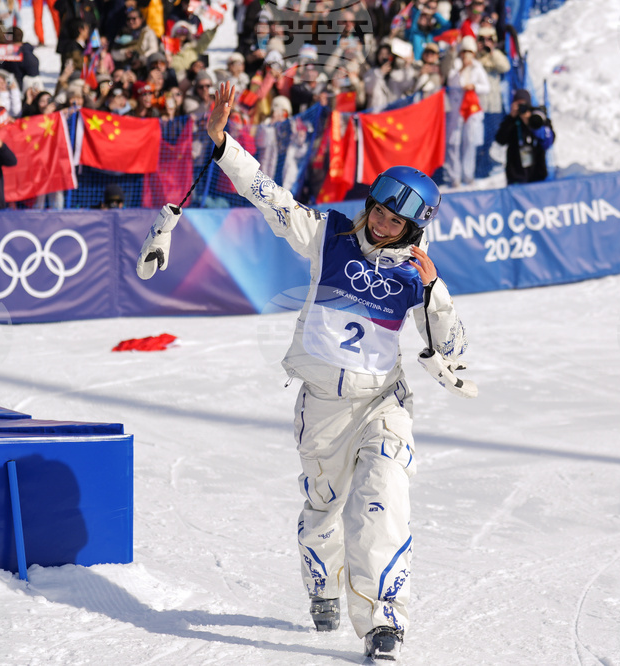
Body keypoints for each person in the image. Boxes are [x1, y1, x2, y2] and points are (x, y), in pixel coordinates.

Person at [201, 81, 472, 661]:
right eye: (379, 211)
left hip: (382, 404)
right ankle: (322, 586)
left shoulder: (417, 276)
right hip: (323, 405)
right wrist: (224, 144)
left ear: (415, 229)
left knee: (382, 501)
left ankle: (383, 622)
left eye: (395, 222)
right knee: (324, 512)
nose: (382, 225)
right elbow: (271, 197)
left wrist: (436, 293)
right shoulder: (328, 236)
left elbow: (450, 350)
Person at [445, 35, 489, 188]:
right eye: (464, 52)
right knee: (454, 142)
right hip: (457, 109)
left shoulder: (478, 67)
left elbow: (486, 87)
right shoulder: (456, 65)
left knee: (470, 142)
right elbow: (451, 81)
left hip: (472, 109)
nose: (467, 55)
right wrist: (462, 69)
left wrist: (474, 86)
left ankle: (468, 175)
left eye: (469, 52)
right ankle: (454, 177)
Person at [494, 88, 554, 185]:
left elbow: (548, 141)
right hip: (516, 175)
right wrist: (510, 118)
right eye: (518, 104)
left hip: (537, 173)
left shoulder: (537, 117)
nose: (522, 108)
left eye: (523, 104)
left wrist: (532, 123)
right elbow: (500, 140)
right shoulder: (511, 120)